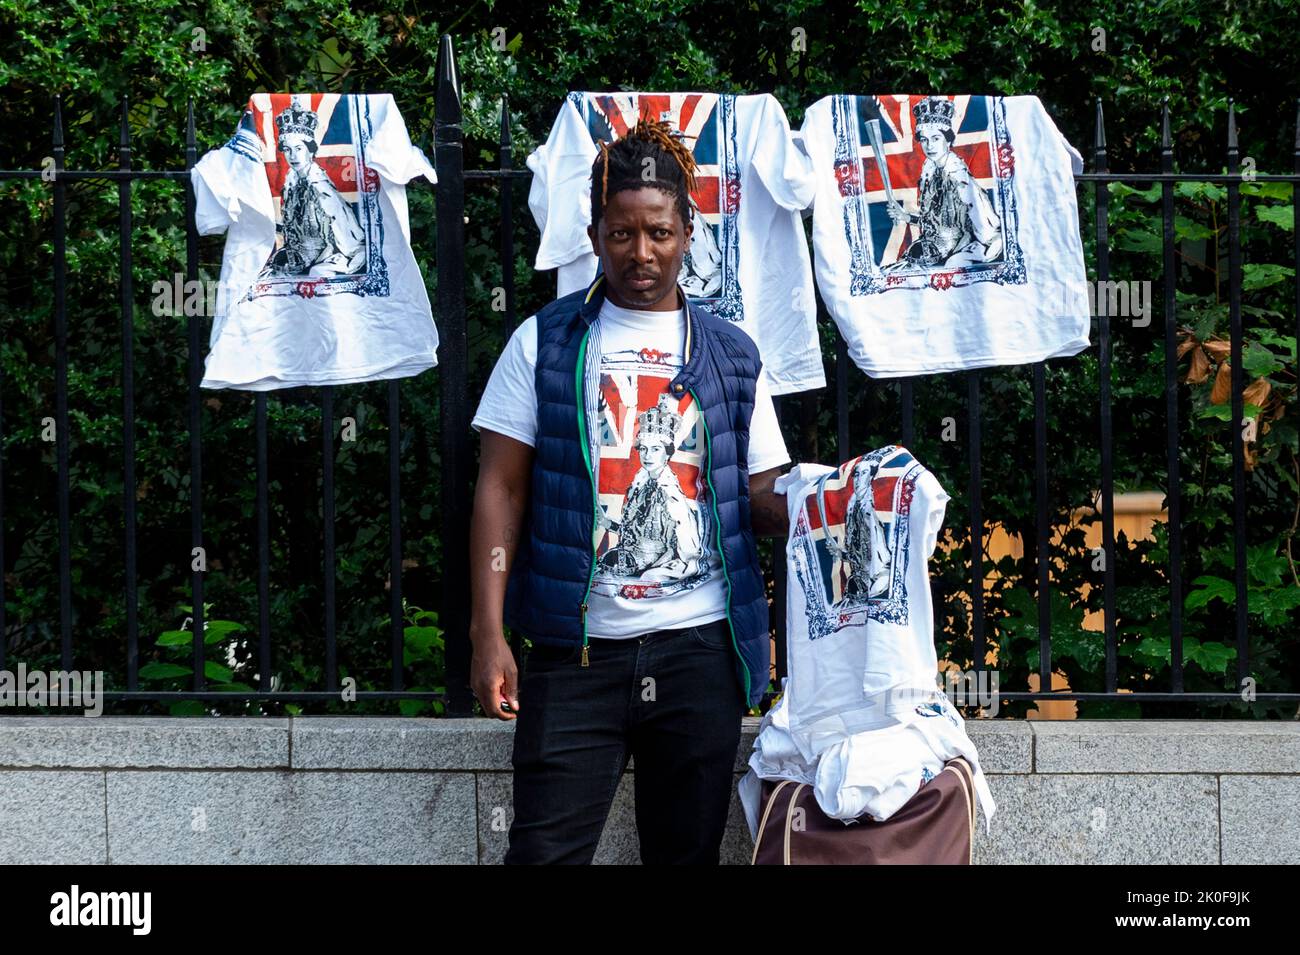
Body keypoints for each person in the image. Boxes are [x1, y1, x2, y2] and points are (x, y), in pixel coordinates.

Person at [468, 116, 794, 864]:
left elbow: (760, 490)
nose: (640, 252)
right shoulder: (544, 341)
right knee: (543, 854)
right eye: (621, 233)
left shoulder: (731, 355)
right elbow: (501, 488)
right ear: (594, 233)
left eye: (658, 232)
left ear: (687, 230)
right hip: (573, 653)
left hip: (699, 654)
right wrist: (489, 634)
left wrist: (835, 500)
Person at [883, 96, 1002, 271]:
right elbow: (935, 224)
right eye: (924, 139)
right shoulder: (930, 173)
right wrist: (906, 217)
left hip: (953, 252)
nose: (929, 145)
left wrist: (959, 256)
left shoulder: (959, 179)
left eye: (936, 138)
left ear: (948, 140)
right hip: (930, 250)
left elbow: (983, 232)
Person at [262, 102, 366, 278]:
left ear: (310, 151)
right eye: (287, 150)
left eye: (299, 148)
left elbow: (347, 238)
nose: (292, 156)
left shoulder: (321, 189)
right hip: (297, 257)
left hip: (324, 257)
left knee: (315, 274)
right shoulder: (291, 186)